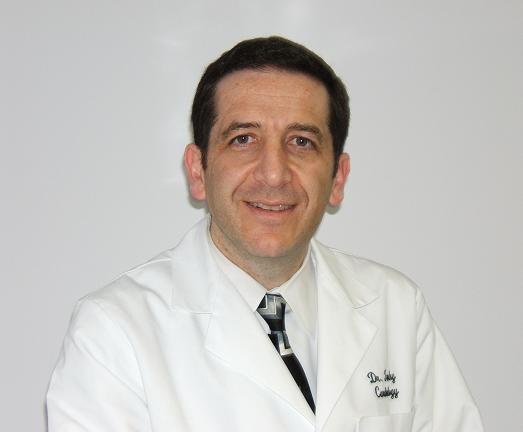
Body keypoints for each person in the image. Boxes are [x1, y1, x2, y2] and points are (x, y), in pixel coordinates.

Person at [46, 36, 484, 431]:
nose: (274, 173)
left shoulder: (396, 307)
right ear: (198, 171)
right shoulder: (114, 331)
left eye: (301, 142)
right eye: (243, 139)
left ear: (337, 178)